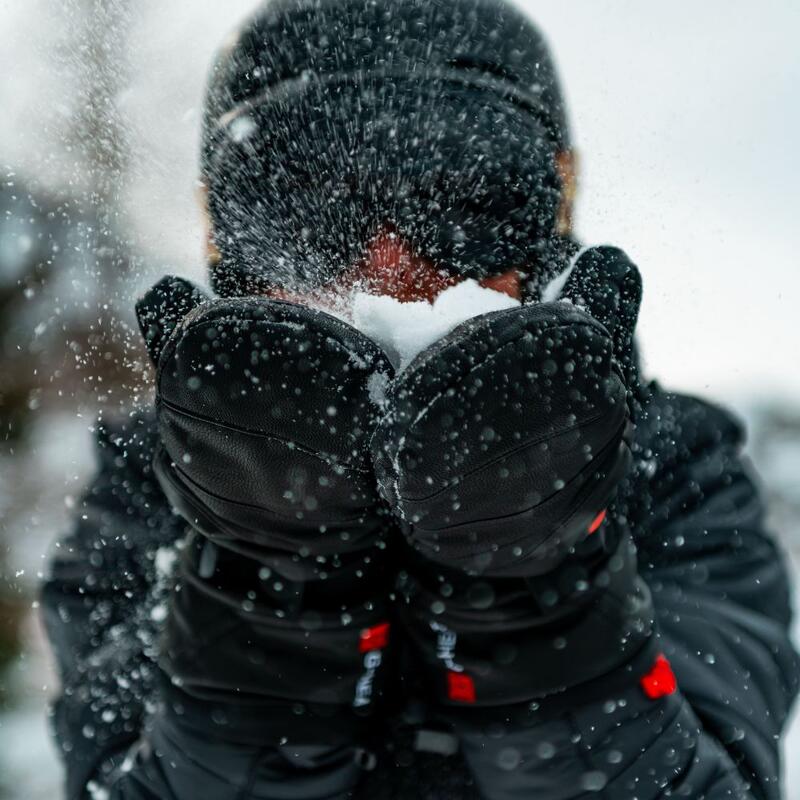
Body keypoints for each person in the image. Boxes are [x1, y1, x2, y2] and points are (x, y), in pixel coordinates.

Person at [41, 1, 799, 798]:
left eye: (469, 202)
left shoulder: (672, 467)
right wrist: (269, 572)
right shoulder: (149, 483)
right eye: (307, 204)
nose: (389, 266)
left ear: (554, 221)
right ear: (226, 244)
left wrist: (534, 575)